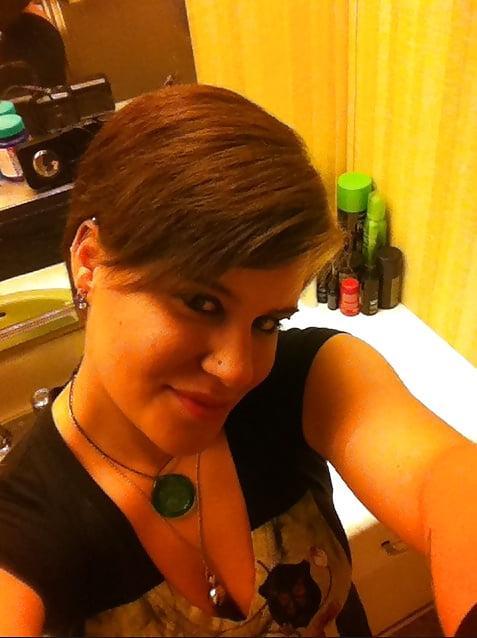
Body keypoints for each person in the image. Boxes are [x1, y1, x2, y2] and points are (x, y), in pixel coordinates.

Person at [0, 84, 475, 637]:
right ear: (90, 261)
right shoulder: (21, 531)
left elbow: (447, 480)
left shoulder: (305, 381)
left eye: (267, 322)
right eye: (202, 303)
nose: (237, 370)